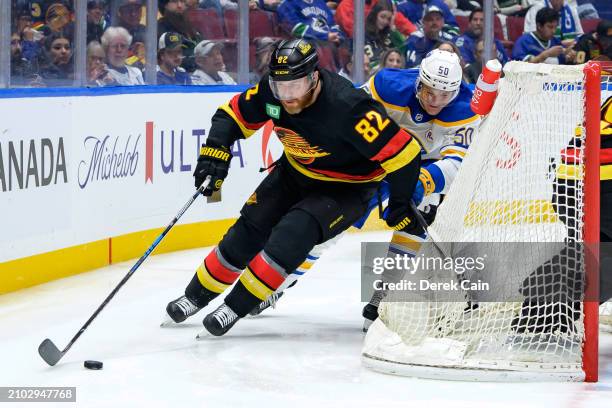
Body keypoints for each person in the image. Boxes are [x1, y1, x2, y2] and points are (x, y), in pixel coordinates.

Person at [164, 38, 422, 336]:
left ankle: (235, 306)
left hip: (345, 189)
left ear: (313, 78)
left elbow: (405, 154)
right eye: (279, 87)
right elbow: (231, 114)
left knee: (292, 235)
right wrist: (216, 150)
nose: (286, 97)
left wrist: (401, 204)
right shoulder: (272, 90)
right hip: (295, 172)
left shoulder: (349, 108)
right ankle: (195, 295)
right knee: (248, 229)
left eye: (294, 87)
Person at [248, 50, 481, 327]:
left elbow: (456, 164)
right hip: (374, 161)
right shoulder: (387, 85)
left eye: (444, 95)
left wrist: (421, 183)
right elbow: (346, 114)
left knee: (416, 223)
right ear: (419, 81)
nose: (435, 101)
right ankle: (276, 286)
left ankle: (383, 298)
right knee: (325, 227)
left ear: (456, 90)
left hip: (425, 167)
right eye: (429, 92)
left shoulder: (468, 109)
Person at [158, 0, 203, 72]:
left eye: (182, 1)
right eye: (174, 1)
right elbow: (177, 60)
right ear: (165, 5)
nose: (179, 5)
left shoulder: (190, 27)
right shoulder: (160, 29)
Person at [335, 0, 416, 38]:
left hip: (376, 41)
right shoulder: (345, 6)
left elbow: (396, 18)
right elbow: (354, 34)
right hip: (353, 47)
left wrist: (414, 32)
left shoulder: (377, 1)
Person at [276, 0, 344, 45]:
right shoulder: (286, 4)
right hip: (304, 49)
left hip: (328, 47)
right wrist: (325, 36)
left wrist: (336, 35)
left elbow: (333, 24)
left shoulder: (320, 3)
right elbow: (297, 29)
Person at [364, 0, 407, 69]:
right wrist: (383, 62)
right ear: (375, 15)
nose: (385, 21)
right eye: (382, 17)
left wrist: (392, 28)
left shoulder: (389, 35)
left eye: (389, 19)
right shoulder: (362, 36)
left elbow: (403, 48)